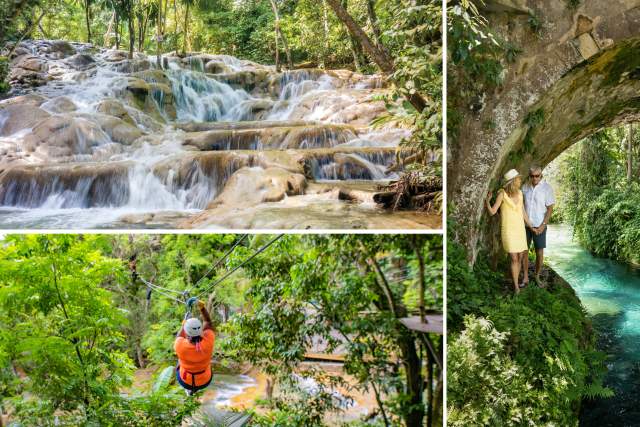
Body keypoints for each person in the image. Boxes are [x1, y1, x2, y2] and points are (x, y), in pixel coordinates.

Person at [485, 169, 535, 293]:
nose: (520, 180)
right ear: (513, 181)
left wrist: (531, 226)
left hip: (519, 230)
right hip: (508, 230)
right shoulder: (502, 193)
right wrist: (487, 201)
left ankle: (516, 281)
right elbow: (492, 212)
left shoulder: (520, 193)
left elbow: (523, 213)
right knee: (514, 258)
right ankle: (517, 287)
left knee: (519, 256)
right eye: (518, 179)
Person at [522, 165, 555, 286]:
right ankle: (525, 276)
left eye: (537, 176)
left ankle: (537, 276)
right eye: (532, 176)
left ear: (541, 175)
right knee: (524, 251)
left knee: (539, 252)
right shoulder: (524, 187)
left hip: (540, 225)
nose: (534, 178)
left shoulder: (547, 189)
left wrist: (543, 225)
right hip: (525, 225)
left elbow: (550, 209)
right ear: (529, 176)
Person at [175, 300, 215, 395]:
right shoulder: (209, 340)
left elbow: (179, 336)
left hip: (185, 381)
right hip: (205, 381)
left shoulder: (180, 345)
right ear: (201, 330)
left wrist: (185, 321)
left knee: (179, 361)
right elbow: (208, 321)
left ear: (187, 334)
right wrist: (202, 307)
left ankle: (189, 389)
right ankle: (195, 389)